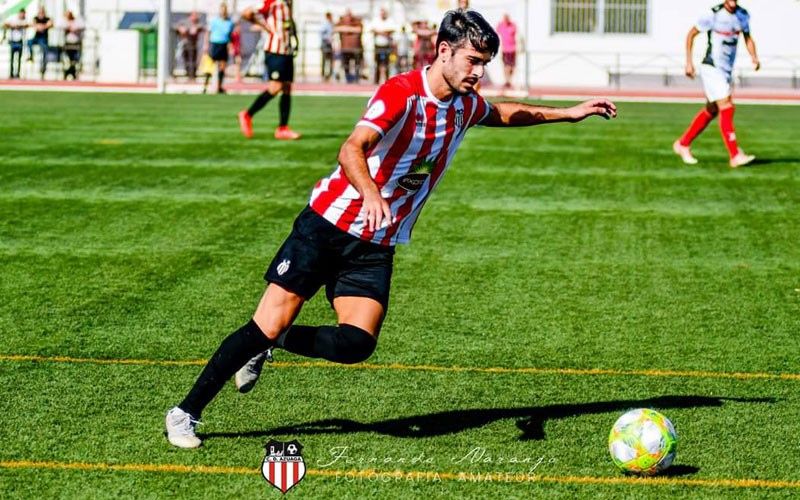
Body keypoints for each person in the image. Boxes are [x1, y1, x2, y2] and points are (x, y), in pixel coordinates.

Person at [164, 8, 616, 449]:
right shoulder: (401, 93)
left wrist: (570, 112)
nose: (480, 73)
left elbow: (505, 112)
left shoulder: (463, 105)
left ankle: (273, 341)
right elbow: (351, 149)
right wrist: (372, 194)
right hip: (328, 225)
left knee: (355, 343)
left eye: (485, 64)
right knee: (263, 320)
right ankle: (185, 413)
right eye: (473, 61)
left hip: (376, 242)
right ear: (443, 50)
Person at [673, 0, 759, 168]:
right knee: (727, 106)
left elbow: (748, 38)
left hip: (726, 70)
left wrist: (754, 57)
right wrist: (689, 63)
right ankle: (735, 155)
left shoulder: (743, 15)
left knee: (712, 109)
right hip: (712, 67)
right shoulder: (713, 14)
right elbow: (691, 34)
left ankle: (683, 144)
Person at [238, 0, 302, 140]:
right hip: (275, 51)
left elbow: (289, 23)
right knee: (275, 87)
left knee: (286, 88)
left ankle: (283, 128)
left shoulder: (288, 3)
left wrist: (295, 40)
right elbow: (246, 13)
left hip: (287, 50)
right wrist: (263, 25)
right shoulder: (272, 1)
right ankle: (247, 114)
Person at [204, 3, 234, 94]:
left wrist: (230, 46)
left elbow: (230, 36)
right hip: (215, 44)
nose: (223, 12)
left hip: (224, 45)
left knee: (222, 66)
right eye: (222, 10)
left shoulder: (230, 22)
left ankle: (219, 87)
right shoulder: (214, 21)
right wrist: (206, 45)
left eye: (225, 10)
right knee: (210, 66)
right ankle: (205, 86)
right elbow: (208, 33)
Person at [335, 9, 364, 83]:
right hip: (345, 48)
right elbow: (335, 28)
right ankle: (348, 79)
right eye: (347, 15)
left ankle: (357, 79)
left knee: (357, 64)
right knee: (345, 64)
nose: (348, 17)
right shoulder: (341, 21)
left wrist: (346, 29)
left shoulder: (356, 21)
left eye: (349, 15)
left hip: (356, 48)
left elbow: (359, 29)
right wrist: (350, 29)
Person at [370, 8, 396, 84]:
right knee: (377, 64)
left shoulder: (390, 21)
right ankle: (376, 81)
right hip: (378, 45)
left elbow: (391, 30)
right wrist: (384, 32)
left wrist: (380, 32)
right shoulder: (376, 20)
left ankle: (387, 81)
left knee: (387, 64)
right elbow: (372, 30)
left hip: (386, 45)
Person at [176, 11, 204, 81]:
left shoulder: (197, 23)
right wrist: (181, 29)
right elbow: (176, 26)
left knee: (193, 60)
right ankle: (188, 74)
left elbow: (202, 27)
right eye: (194, 15)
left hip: (193, 44)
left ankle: (192, 76)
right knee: (186, 60)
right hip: (185, 43)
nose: (196, 17)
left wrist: (196, 28)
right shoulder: (185, 22)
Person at [27, 6, 52, 78]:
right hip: (37, 38)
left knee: (44, 51)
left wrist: (41, 26)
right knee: (29, 42)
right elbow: (33, 24)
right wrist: (41, 26)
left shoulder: (47, 19)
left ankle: (43, 69)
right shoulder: (36, 18)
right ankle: (31, 56)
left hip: (43, 38)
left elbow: (49, 24)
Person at [3, 9, 27, 79]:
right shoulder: (14, 19)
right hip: (13, 41)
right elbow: (5, 23)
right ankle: (11, 73)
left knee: (19, 59)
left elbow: (28, 24)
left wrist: (19, 25)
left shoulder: (24, 20)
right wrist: (13, 25)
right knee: (12, 59)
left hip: (20, 41)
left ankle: (18, 74)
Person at [60, 11, 84, 80]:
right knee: (69, 60)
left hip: (76, 43)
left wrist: (75, 28)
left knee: (75, 60)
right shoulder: (65, 21)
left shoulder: (77, 21)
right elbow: (61, 25)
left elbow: (81, 26)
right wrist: (69, 27)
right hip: (68, 43)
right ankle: (70, 73)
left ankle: (69, 72)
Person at [496, 14, 517, 89]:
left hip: (512, 49)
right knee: (506, 66)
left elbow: (516, 36)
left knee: (511, 66)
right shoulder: (501, 25)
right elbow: (496, 33)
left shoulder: (513, 25)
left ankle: (509, 80)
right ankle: (507, 81)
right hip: (505, 50)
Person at [320, 11, 335, 82]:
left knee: (330, 60)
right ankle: (323, 75)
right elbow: (321, 34)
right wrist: (328, 38)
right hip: (325, 44)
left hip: (329, 44)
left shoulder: (331, 24)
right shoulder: (325, 24)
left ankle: (329, 74)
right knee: (325, 60)